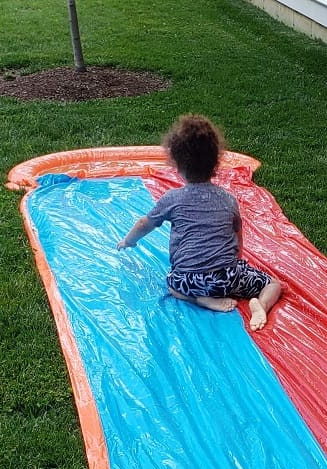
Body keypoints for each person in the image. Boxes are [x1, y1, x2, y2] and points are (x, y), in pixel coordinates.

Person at [117, 114, 282, 331]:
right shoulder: (227, 199)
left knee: (172, 285)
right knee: (273, 284)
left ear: (176, 163)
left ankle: (199, 300)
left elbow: (143, 223)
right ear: (216, 162)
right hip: (227, 279)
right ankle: (260, 305)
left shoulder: (172, 199)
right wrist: (236, 260)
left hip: (188, 280)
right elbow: (237, 232)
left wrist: (128, 242)